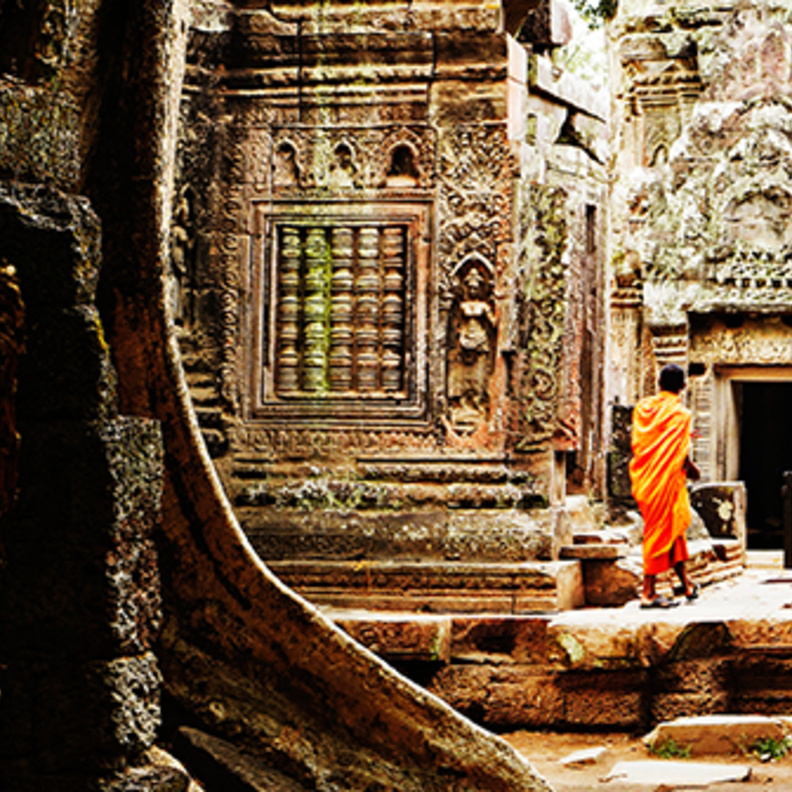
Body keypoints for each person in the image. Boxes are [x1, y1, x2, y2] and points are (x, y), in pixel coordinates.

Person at [629, 363, 701, 608]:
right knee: (658, 533)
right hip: (665, 480)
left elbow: (642, 443)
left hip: (646, 478)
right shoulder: (681, 415)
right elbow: (680, 452)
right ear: (683, 386)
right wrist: (692, 469)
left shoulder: (643, 408)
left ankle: (686, 584)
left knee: (674, 532)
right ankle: (648, 592)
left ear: (659, 383)